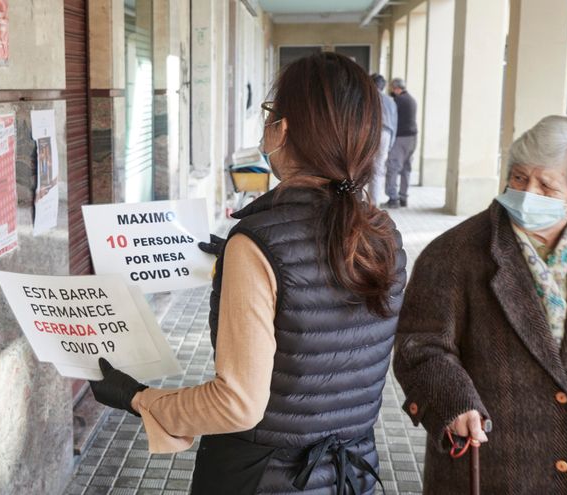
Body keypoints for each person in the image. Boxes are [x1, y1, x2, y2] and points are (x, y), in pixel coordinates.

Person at [89, 53, 407, 494]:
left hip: (265, 479)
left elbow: (237, 404)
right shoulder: (383, 233)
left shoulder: (259, 243)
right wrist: (242, 264)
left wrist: (139, 398)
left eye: (269, 114)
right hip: (349, 476)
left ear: (285, 129)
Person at [393, 115, 567, 493]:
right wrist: (453, 401)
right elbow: (419, 345)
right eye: (519, 177)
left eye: (546, 185)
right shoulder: (454, 253)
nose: (527, 192)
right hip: (492, 463)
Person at [383, 78, 417, 209]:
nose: (391, 91)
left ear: (397, 88)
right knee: (406, 169)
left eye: (392, 88)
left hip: (401, 138)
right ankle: (403, 197)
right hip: (412, 139)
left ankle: (393, 198)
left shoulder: (398, 101)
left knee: (393, 167)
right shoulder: (412, 100)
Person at [370, 74, 398, 205]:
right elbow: (394, 122)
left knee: (364, 166)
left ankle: (361, 200)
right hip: (386, 134)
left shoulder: (367, 97)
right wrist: (391, 142)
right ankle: (374, 203)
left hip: (370, 132)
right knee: (378, 169)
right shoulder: (390, 101)